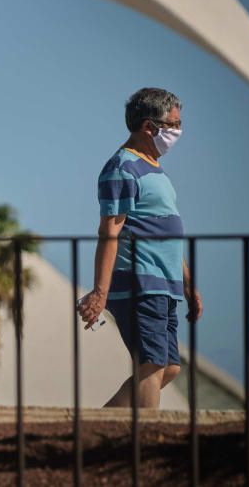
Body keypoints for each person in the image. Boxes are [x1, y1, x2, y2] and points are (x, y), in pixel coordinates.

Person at [77, 87, 202, 408]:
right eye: (173, 124)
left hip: (165, 285)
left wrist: (187, 283)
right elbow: (110, 231)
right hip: (140, 282)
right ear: (149, 127)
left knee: (169, 367)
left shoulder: (154, 169)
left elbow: (165, 231)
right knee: (152, 364)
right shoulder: (122, 167)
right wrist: (99, 292)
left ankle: (97, 427)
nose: (177, 131)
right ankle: (144, 442)